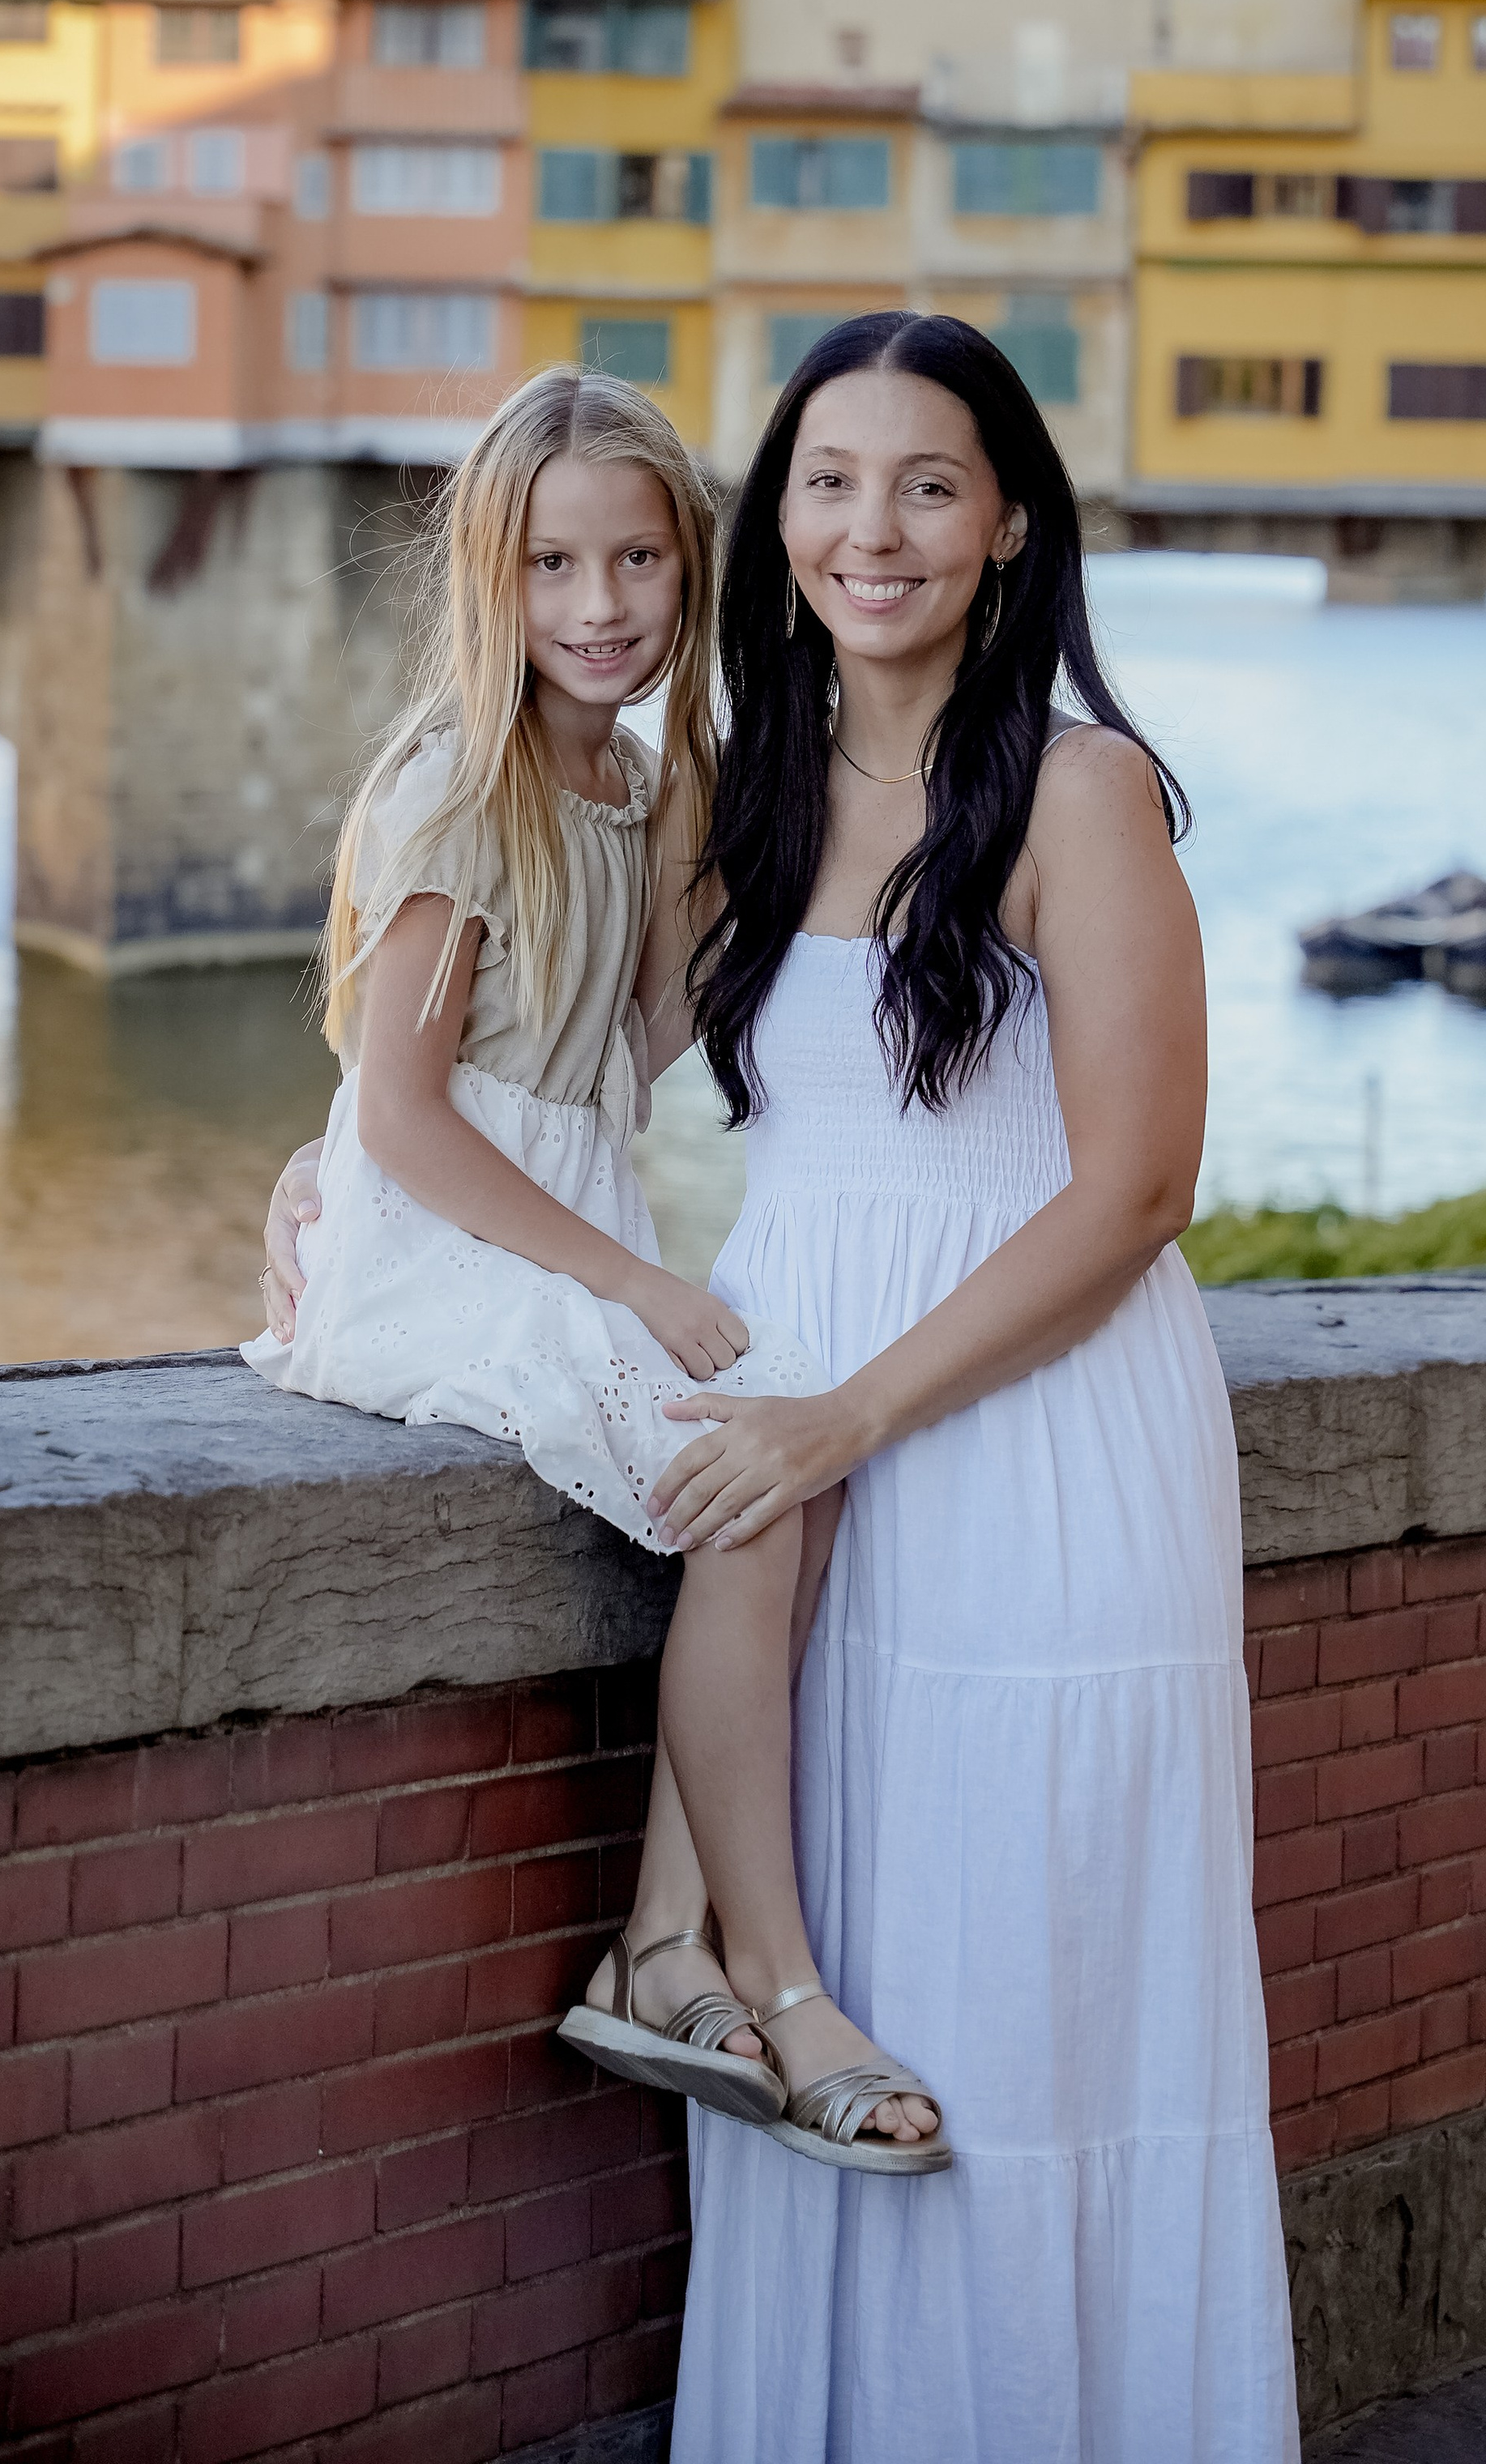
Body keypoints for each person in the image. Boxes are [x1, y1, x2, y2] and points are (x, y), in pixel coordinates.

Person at [267, 314, 1300, 2453]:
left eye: (930, 482)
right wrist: (335, 1178)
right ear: (782, 526)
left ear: (1012, 522)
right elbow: (536, 1059)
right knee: (838, 1960)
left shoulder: (1084, 791)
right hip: (799, 1414)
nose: (874, 528)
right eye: (832, 481)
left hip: (1022, 1441)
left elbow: (1137, 1191)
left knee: (1032, 1991)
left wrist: (842, 1414)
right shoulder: (739, 793)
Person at [248, 366, 941, 2149]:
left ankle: (658, 1939)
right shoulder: (453, 785)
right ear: (494, 578)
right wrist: (629, 1282)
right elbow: (399, 1114)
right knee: (760, 1481)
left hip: (552, 1223)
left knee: (787, 1460)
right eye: (553, 568)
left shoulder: (635, 788)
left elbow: (620, 1063)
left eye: (635, 562)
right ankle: (755, 1973)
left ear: (685, 570)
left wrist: (700, 827)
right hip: (442, 1244)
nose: (599, 609)